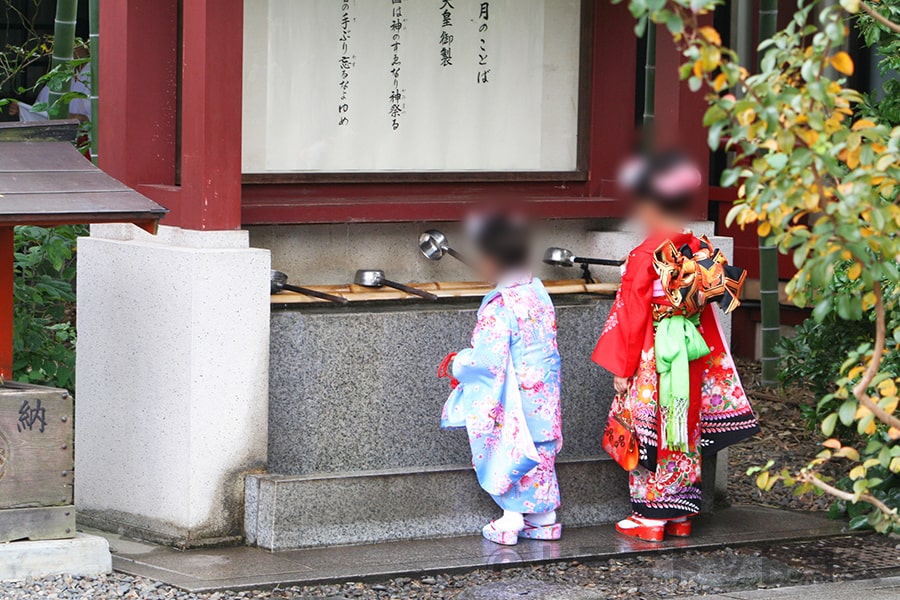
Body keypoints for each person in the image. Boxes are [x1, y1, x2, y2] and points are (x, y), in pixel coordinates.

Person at [593, 151, 759, 542]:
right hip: (691, 354)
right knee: (685, 424)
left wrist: (622, 368)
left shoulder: (644, 254)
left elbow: (631, 316)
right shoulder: (697, 250)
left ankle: (650, 516)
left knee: (649, 425)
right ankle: (680, 516)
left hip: (654, 355)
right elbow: (708, 312)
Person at [439, 214, 563, 546]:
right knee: (540, 450)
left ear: (491, 261)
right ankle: (544, 519)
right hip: (544, 390)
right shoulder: (537, 291)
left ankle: (510, 521)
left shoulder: (500, 305)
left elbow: (487, 359)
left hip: (515, 397)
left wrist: (458, 364)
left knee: (512, 449)